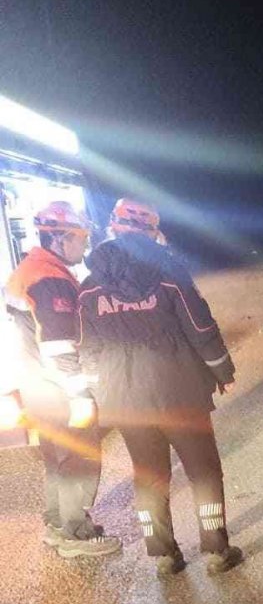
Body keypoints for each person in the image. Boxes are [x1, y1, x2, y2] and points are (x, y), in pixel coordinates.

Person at [78, 199, 242, 577]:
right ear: (151, 231)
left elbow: (87, 348)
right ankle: (217, 551)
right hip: (180, 394)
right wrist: (223, 371)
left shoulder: (89, 288)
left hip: (127, 402)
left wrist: (101, 394)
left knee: (148, 476)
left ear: (113, 227)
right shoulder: (170, 273)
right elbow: (201, 329)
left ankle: (164, 556)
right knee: (203, 472)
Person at [4, 202, 121, 558]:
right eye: (80, 239)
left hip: (37, 385)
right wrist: (80, 393)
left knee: (57, 455)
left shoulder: (31, 269)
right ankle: (76, 534)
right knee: (80, 454)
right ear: (60, 238)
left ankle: (57, 523)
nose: (84, 246)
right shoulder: (50, 278)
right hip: (59, 387)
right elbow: (57, 342)